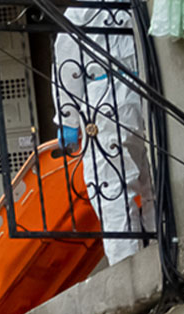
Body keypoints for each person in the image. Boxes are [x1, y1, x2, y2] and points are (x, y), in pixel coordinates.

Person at [51, 2, 154, 265]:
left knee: (110, 187)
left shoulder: (78, 13)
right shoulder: (130, 5)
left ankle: (128, 264)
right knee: (150, 178)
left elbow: (67, 71)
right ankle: (159, 245)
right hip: (140, 92)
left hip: (103, 99)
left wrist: (68, 121)